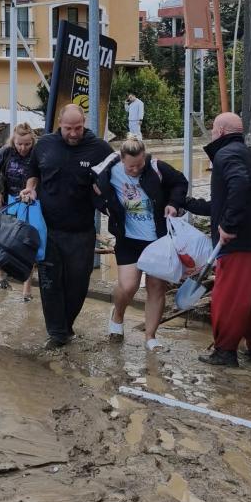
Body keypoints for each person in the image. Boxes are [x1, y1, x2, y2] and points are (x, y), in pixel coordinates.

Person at [183, 111, 251, 368]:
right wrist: (186, 203)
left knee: (229, 298)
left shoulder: (226, 154)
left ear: (221, 132)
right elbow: (223, 201)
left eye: (213, 130)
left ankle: (224, 352)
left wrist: (228, 225)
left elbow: (240, 184)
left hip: (240, 243)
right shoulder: (245, 154)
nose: (212, 134)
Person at [19, 103, 114, 348]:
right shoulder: (45, 145)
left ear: (84, 124)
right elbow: (33, 172)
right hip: (48, 230)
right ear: (59, 124)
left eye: (78, 128)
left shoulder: (100, 149)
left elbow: (120, 178)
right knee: (50, 283)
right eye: (68, 128)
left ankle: (66, 327)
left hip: (81, 231)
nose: (73, 133)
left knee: (77, 284)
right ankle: (57, 334)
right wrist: (30, 188)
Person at [92, 135, 188, 350]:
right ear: (122, 159)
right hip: (128, 239)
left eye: (139, 165)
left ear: (144, 157)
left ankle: (150, 337)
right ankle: (117, 315)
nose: (135, 170)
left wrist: (174, 204)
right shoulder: (109, 170)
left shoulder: (156, 167)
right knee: (128, 286)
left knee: (156, 288)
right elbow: (93, 189)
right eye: (131, 167)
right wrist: (105, 207)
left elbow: (180, 182)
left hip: (158, 240)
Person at [0, 123, 37, 299]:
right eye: (19, 144)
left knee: (29, 245)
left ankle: (27, 290)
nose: (23, 148)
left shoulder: (37, 153)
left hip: (31, 203)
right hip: (9, 202)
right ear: (13, 141)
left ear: (33, 142)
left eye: (27, 144)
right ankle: (0, 276)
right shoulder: (6, 152)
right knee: (5, 242)